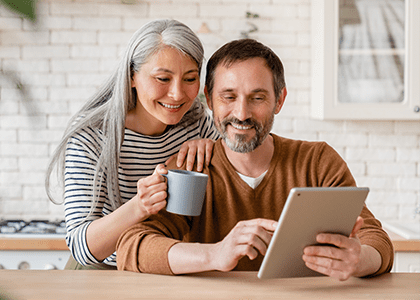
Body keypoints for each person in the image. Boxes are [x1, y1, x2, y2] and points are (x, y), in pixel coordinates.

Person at [116, 39, 394, 280]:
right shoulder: (191, 168)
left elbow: (377, 242)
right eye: (228, 97)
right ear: (210, 102)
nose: (242, 113)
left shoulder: (317, 162)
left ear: (279, 100)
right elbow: (132, 248)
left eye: (257, 98)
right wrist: (215, 254)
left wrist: (359, 260)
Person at [45, 19, 220, 269]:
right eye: (162, 78)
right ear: (132, 77)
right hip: (104, 269)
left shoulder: (197, 124)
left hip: (167, 265)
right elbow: (81, 247)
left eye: (190, 79)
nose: (178, 94)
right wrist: (140, 206)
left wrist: (217, 150)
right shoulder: (93, 135)